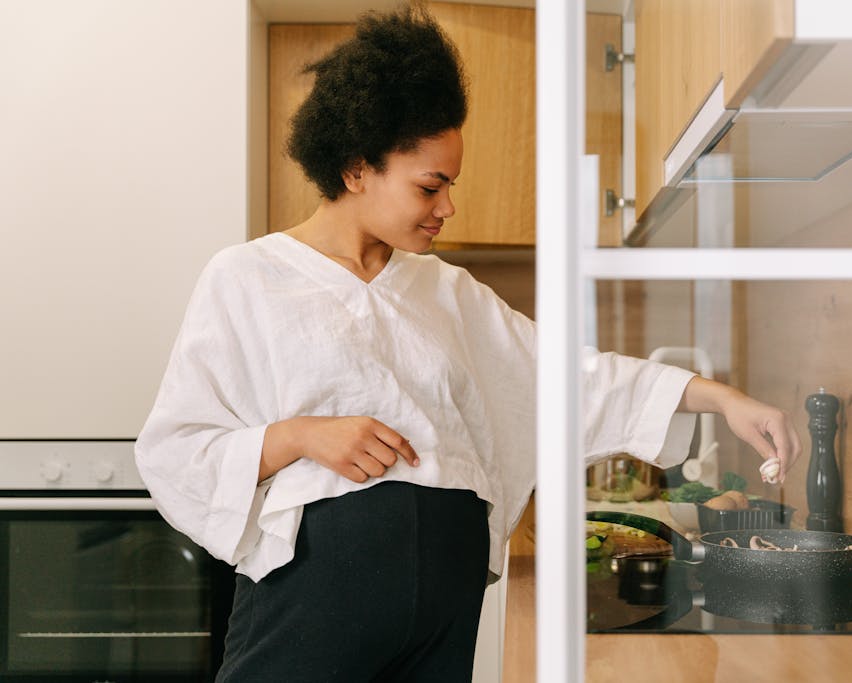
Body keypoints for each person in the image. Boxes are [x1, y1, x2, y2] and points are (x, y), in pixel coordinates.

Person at [135, 5, 800, 682]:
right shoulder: (247, 279)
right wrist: (301, 435)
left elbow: (568, 379)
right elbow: (175, 451)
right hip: (314, 602)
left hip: (443, 613)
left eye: (450, 183)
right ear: (357, 166)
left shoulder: (448, 293)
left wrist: (719, 397)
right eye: (430, 185)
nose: (447, 206)